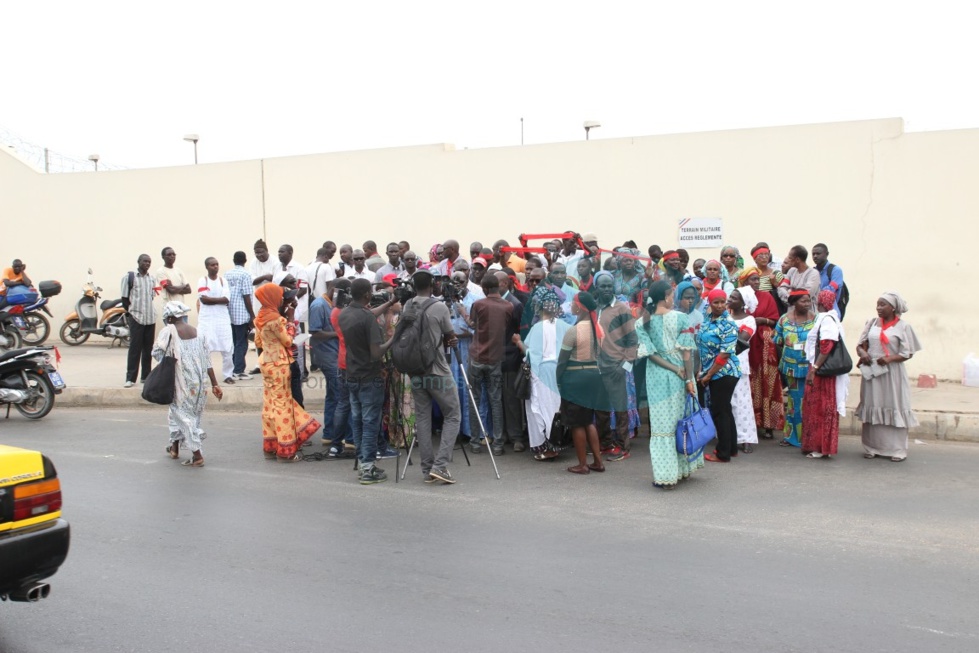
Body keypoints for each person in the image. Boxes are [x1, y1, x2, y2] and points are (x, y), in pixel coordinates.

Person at [636, 280, 701, 488]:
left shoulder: (641, 322)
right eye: (672, 295)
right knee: (683, 422)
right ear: (665, 297)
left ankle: (666, 476)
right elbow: (687, 353)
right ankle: (684, 470)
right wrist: (688, 378)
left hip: (657, 377)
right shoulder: (682, 318)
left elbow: (651, 355)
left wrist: (673, 369)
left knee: (663, 427)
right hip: (682, 375)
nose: (674, 298)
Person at [402, 268, 462, 484]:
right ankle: (440, 466)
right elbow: (449, 335)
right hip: (437, 370)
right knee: (453, 415)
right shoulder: (439, 306)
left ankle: (427, 469)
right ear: (432, 285)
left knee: (423, 419)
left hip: (415, 370)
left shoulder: (407, 305)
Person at [338, 278, 396, 484]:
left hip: (352, 374)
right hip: (370, 377)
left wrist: (389, 303)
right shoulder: (367, 319)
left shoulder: (345, 313)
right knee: (371, 423)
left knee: (359, 421)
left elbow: (367, 315)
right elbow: (376, 352)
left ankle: (363, 462)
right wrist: (393, 339)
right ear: (366, 296)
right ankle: (368, 468)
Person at [254, 284, 321, 462]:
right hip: (280, 365)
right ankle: (285, 451)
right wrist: (291, 319)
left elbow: (259, 342)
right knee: (283, 406)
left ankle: (270, 447)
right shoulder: (276, 319)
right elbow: (289, 341)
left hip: (266, 363)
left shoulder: (259, 317)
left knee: (269, 404)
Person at [855, 291, 923, 462]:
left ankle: (897, 449)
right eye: (877, 304)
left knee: (893, 405)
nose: (878, 308)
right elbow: (860, 345)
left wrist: (890, 358)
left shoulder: (903, 327)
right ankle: (872, 447)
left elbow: (908, 353)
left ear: (893, 308)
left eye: (883, 304)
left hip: (892, 374)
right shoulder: (871, 323)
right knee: (873, 404)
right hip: (872, 373)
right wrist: (863, 353)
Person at [155, 302, 223, 467]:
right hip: (199, 386)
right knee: (179, 415)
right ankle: (174, 447)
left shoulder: (168, 331)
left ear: (170, 318)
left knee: (184, 418)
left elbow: (156, 352)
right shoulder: (198, 332)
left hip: (181, 385)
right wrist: (215, 384)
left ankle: (197, 455)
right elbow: (207, 360)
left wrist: (170, 359)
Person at [513, 287, 568, 460]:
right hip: (560, 372)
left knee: (538, 408)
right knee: (556, 408)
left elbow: (530, 353)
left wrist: (518, 342)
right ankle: (557, 444)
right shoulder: (566, 327)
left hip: (542, 371)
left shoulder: (537, 328)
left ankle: (546, 447)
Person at [557, 293, 608, 474]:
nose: (571, 305)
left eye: (574, 303)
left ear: (579, 308)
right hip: (594, 376)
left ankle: (582, 464)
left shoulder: (573, 331)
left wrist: (558, 380)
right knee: (588, 420)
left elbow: (562, 361)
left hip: (575, 378)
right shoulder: (598, 328)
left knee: (577, 423)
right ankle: (598, 461)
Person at [464, 273, 514, 456]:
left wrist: (462, 311)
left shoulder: (478, 305)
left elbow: (472, 324)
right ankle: (498, 443)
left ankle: (475, 441)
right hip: (495, 357)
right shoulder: (508, 306)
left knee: (475, 400)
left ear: (484, 289)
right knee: (495, 400)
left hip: (477, 356)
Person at [593, 270, 639, 461]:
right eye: (602, 286)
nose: (606, 289)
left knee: (620, 410)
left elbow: (632, 339)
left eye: (609, 285)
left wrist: (626, 365)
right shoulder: (594, 309)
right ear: (596, 287)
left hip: (618, 365)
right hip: (597, 366)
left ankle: (622, 447)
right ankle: (605, 444)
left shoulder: (622, 309)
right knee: (601, 409)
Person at [802, 290, 850, 459]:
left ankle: (821, 447)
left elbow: (826, 346)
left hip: (822, 373)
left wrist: (814, 369)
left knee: (821, 409)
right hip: (820, 370)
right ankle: (818, 445)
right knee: (817, 408)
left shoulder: (827, 320)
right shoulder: (828, 318)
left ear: (820, 303)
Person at [740, 268, 785, 438]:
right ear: (744, 282)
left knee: (768, 383)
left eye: (758, 279)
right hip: (746, 344)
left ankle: (769, 424)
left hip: (765, 346)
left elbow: (775, 320)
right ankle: (750, 423)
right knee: (749, 383)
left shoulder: (766, 297)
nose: (756, 282)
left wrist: (763, 320)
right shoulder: (740, 297)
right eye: (752, 279)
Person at [699, 288, 742, 463]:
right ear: (709, 303)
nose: (719, 306)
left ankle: (722, 453)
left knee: (719, 411)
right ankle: (731, 448)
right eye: (715, 302)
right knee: (725, 409)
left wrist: (708, 375)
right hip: (713, 370)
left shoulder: (729, 324)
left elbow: (724, 355)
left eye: (722, 302)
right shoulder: (709, 319)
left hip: (724, 373)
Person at [774, 289, 817, 449]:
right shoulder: (784, 320)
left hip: (810, 368)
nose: (807, 304)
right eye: (803, 301)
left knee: (809, 403)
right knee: (793, 403)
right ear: (793, 303)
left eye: (808, 301)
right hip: (791, 369)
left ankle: (809, 437)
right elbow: (777, 339)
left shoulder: (816, 319)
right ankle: (791, 436)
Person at [727, 287, 759, 453]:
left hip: (739, 365)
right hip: (722, 365)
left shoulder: (749, 320)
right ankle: (729, 436)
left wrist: (723, 341)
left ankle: (746, 438)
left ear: (743, 303)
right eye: (730, 296)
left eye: (734, 298)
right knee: (727, 402)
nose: (730, 299)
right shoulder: (726, 317)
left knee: (742, 402)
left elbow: (742, 340)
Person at [196, 257, 236, 384]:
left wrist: (211, 300)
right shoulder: (203, 280)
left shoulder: (223, 281)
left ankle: (228, 375)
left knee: (227, 347)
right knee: (204, 346)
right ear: (207, 267)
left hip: (222, 319)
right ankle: (203, 375)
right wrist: (218, 300)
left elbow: (226, 299)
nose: (215, 267)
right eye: (212, 265)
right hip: (207, 319)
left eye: (217, 264)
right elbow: (203, 300)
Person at [122, 254, 157, 388]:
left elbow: (151, 297)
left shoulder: (152, 279)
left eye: (149, 262)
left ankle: (146, 376)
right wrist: (132, 312)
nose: (147, 264)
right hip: (136, 317)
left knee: (148, 349)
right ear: (138, 262)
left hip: (150, 318)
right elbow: (125, 299)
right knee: (135, 348)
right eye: (144, 261)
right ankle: (130, 378)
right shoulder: (129, 278)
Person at [225, 251, 254, 380]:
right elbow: (246, 295)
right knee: (242, 342)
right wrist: (252, 315)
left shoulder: (227, 274)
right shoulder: (246, 274)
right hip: (241, 313)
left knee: (233, 342)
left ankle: (232, 369)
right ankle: (238, 370)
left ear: (233, 260)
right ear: (245, 260)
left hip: (229, 313)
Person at [155, 248, 192, 321]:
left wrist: (177, 288)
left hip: (182, 311)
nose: (172, 256)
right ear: (163, 257)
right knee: (173, 332)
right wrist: (183, 286)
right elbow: (171, 290)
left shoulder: (179, 270)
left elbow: (189, 290)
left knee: (184, 332)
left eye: (173, 254)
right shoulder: (161, 271)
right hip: (170, 312)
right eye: (169, 255)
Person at [812, 243, 845, 318]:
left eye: (818, 253)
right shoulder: (812, 272)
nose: (815, 256)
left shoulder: (836, 270)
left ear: (827, 254)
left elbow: (830, 290)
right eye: (813, 254)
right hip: (814, 314)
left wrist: (814, 293)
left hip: (831, 313)